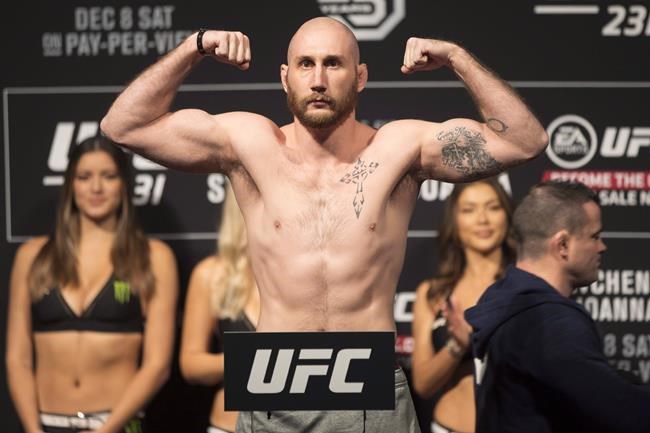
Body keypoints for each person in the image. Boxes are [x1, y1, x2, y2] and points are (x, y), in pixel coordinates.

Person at [100, 16, 547, 432]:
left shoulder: (399, 149)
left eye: (333, 64)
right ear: (285, 77)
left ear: (360, 76)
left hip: (369, 390)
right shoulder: (249, 144)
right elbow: (123, 127)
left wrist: (456, 57)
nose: (318, 79)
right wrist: (193, 47)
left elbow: (525, 141)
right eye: (305, 64)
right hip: (273, 386)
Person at [6, 137, 178, 433]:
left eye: (108, 176)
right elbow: (17, 358)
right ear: (70, 185)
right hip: (46, 424)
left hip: (118, 425)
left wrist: (106, 430)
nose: (96, 188)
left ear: (124, 184)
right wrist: (33, 430)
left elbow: (158, 364)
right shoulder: (32, 256)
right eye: (84, 177)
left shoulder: (153, 257)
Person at [465, 181, 650, 433]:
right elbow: (627, 413)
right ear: (562, 245)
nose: (602, 247)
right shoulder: (550, 322)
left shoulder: (501, 300)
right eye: (594, 236)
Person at [411, 178, 515, 433]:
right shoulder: (433, 294)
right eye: (469, 210)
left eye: (493, 207)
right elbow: (423, 384)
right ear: (454, 221)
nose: (482, 219)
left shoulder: (526, 287)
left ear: (507, 215)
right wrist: (458, 346)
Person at [180, 184, 260, 433]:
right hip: (228, 425)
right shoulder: (211, 275)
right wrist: (254, 361)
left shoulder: (311, 276)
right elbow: (191, 364)